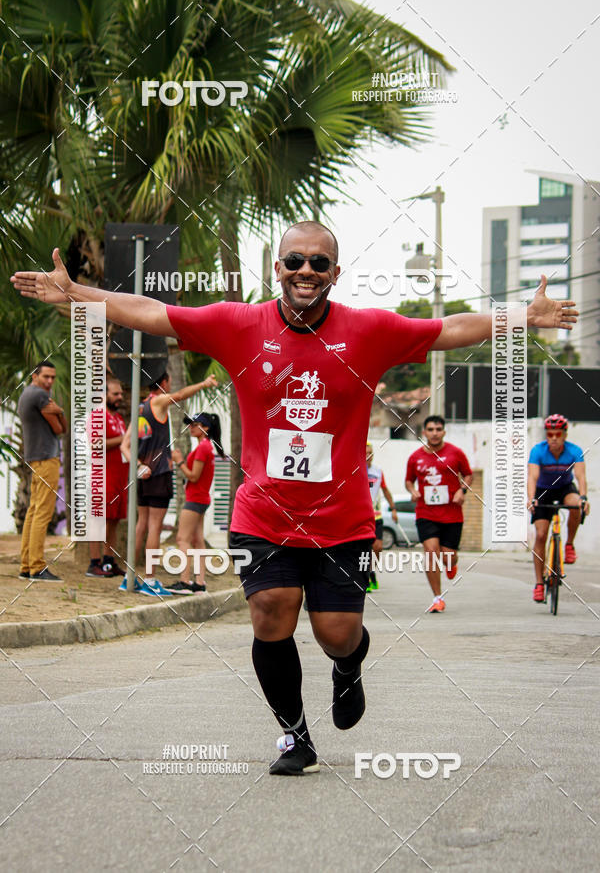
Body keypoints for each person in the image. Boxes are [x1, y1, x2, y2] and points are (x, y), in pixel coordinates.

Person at [12, 221, 578, 775]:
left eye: (319, 262)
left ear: (335, 273)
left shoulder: (368, 330)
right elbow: (153, 313)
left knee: (336, 634)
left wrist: (522, 317)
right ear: (277, 268)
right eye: (295, 261)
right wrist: (77, 292)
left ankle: (349, 661)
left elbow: (448, 328)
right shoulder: (238, 324)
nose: (306, 271)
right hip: (262, 513)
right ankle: (295, 736)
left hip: (344, 520)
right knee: (269, 615)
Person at [120, 368, 217, 595]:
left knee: (140, 524)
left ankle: (129, 576)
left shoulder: (140, 407)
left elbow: (125, 445)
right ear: (163, 381)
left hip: (142, 474)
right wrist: (203, 383)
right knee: (154, 526)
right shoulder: (158, 401)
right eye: (169, 381)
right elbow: (181, 395)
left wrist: (137, 466)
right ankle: (151, 580)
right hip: (159, 473)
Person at [405, 416, 473, 613]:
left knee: (448, 556)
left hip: (452, 514)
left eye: (438, 429)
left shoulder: (455, 453)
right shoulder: (415, 457)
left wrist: (462, 490)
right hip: (426, 512)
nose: (434, 433)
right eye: (430, 429)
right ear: (424, 432)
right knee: (431, 553)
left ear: (444, 432)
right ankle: (437, 598)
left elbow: (468, 474)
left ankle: (451, 564)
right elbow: (408, 480)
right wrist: (412, 491)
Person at [528, 414, 589, 603]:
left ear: (565, 435)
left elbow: (580, 477)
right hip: (543, 490)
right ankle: (539, 583)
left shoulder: (574, 451)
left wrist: (584, 498)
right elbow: (532, 477)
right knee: (540, 534)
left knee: (576, 504)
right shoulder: (538, 451)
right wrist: (531, 499)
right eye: (550, 434)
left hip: (564, 488)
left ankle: (569, 544)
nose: (553, 438)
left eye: (558, 434)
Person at [17, 361, 67, 583]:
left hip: (34, 459)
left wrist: (59, 411)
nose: (50, 381)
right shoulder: (39, 396)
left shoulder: (26, 393)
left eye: (53, 378)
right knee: (43, 513)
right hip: (47, 459)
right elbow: (60, 428)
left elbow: (58, 423)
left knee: (33, 511)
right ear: (34, 375)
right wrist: (61, 412)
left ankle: (26, 565)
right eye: (46, 376)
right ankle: (37, 567)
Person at [169, 412, 225, 594]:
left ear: (205, 428)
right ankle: (200, 583)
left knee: (182, 539)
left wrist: (179, 462)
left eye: (195, 424)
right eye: (190, 424)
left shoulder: (203, 447)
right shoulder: (206, 446)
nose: (191, 427)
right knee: (197, 541)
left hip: (195, 499)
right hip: (200, 498)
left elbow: (193, 476)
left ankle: (184, 581)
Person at [86, 377, 129, 578]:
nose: (120, 397)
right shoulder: (97, 416)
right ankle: (94, 563)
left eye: (120, 393)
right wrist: (124, 439)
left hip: (120, 476)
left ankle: (108, 562)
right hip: (102, 476)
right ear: (103, 396)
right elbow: (95, 444)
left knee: (114, 520)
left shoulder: (119, 419)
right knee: (98, 520)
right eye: (115, 394)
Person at [365, 441, 397, 591]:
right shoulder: (355, 469)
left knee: (377, 547)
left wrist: (394, 508)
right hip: (362, 516)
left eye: (370, 453)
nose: (367, 456)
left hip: (376, 515)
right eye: (364, 453)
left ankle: (371, 570)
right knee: (364, 549)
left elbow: (385, 490)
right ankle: (366, 577)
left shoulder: (378, 471)